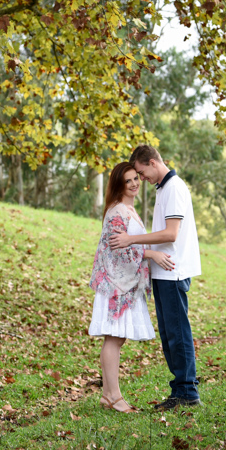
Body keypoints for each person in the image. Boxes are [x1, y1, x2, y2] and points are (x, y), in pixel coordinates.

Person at [109, 145, 202, 411]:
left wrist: (131, 239)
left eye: (141, 172)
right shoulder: (165, 188)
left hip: (173, 272)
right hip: (163, 273)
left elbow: (171, 233)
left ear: (152, 162)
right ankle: (181, 389)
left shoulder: (173, 188)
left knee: (178, 333)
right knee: (170, 335)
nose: (142, 179)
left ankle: (187, 392)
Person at [88, 162, 175, 413]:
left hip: (125, 285)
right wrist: (151, 254)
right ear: (119, 185)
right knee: (113, 339)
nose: (135, 183)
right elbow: (117, 249)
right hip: (116, 284)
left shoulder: (128, 209)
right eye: (128, 181)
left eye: (136, 178)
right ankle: (113, 397)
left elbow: (128, 243)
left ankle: (109, 395)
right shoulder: (117, 212)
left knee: (117, 337)